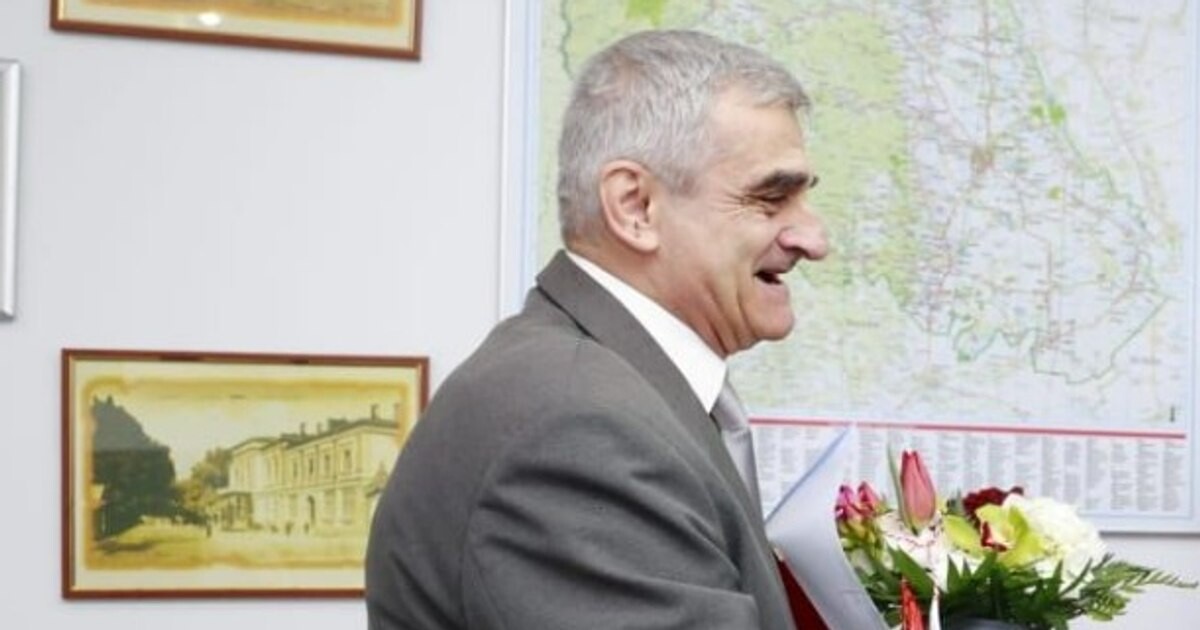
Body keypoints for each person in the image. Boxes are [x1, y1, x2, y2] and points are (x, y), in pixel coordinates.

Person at [366, 29, 828, 629]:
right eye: (770, 199)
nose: (813, 239)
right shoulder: (579, 428)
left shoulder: (601, 386)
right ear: (635, 207)